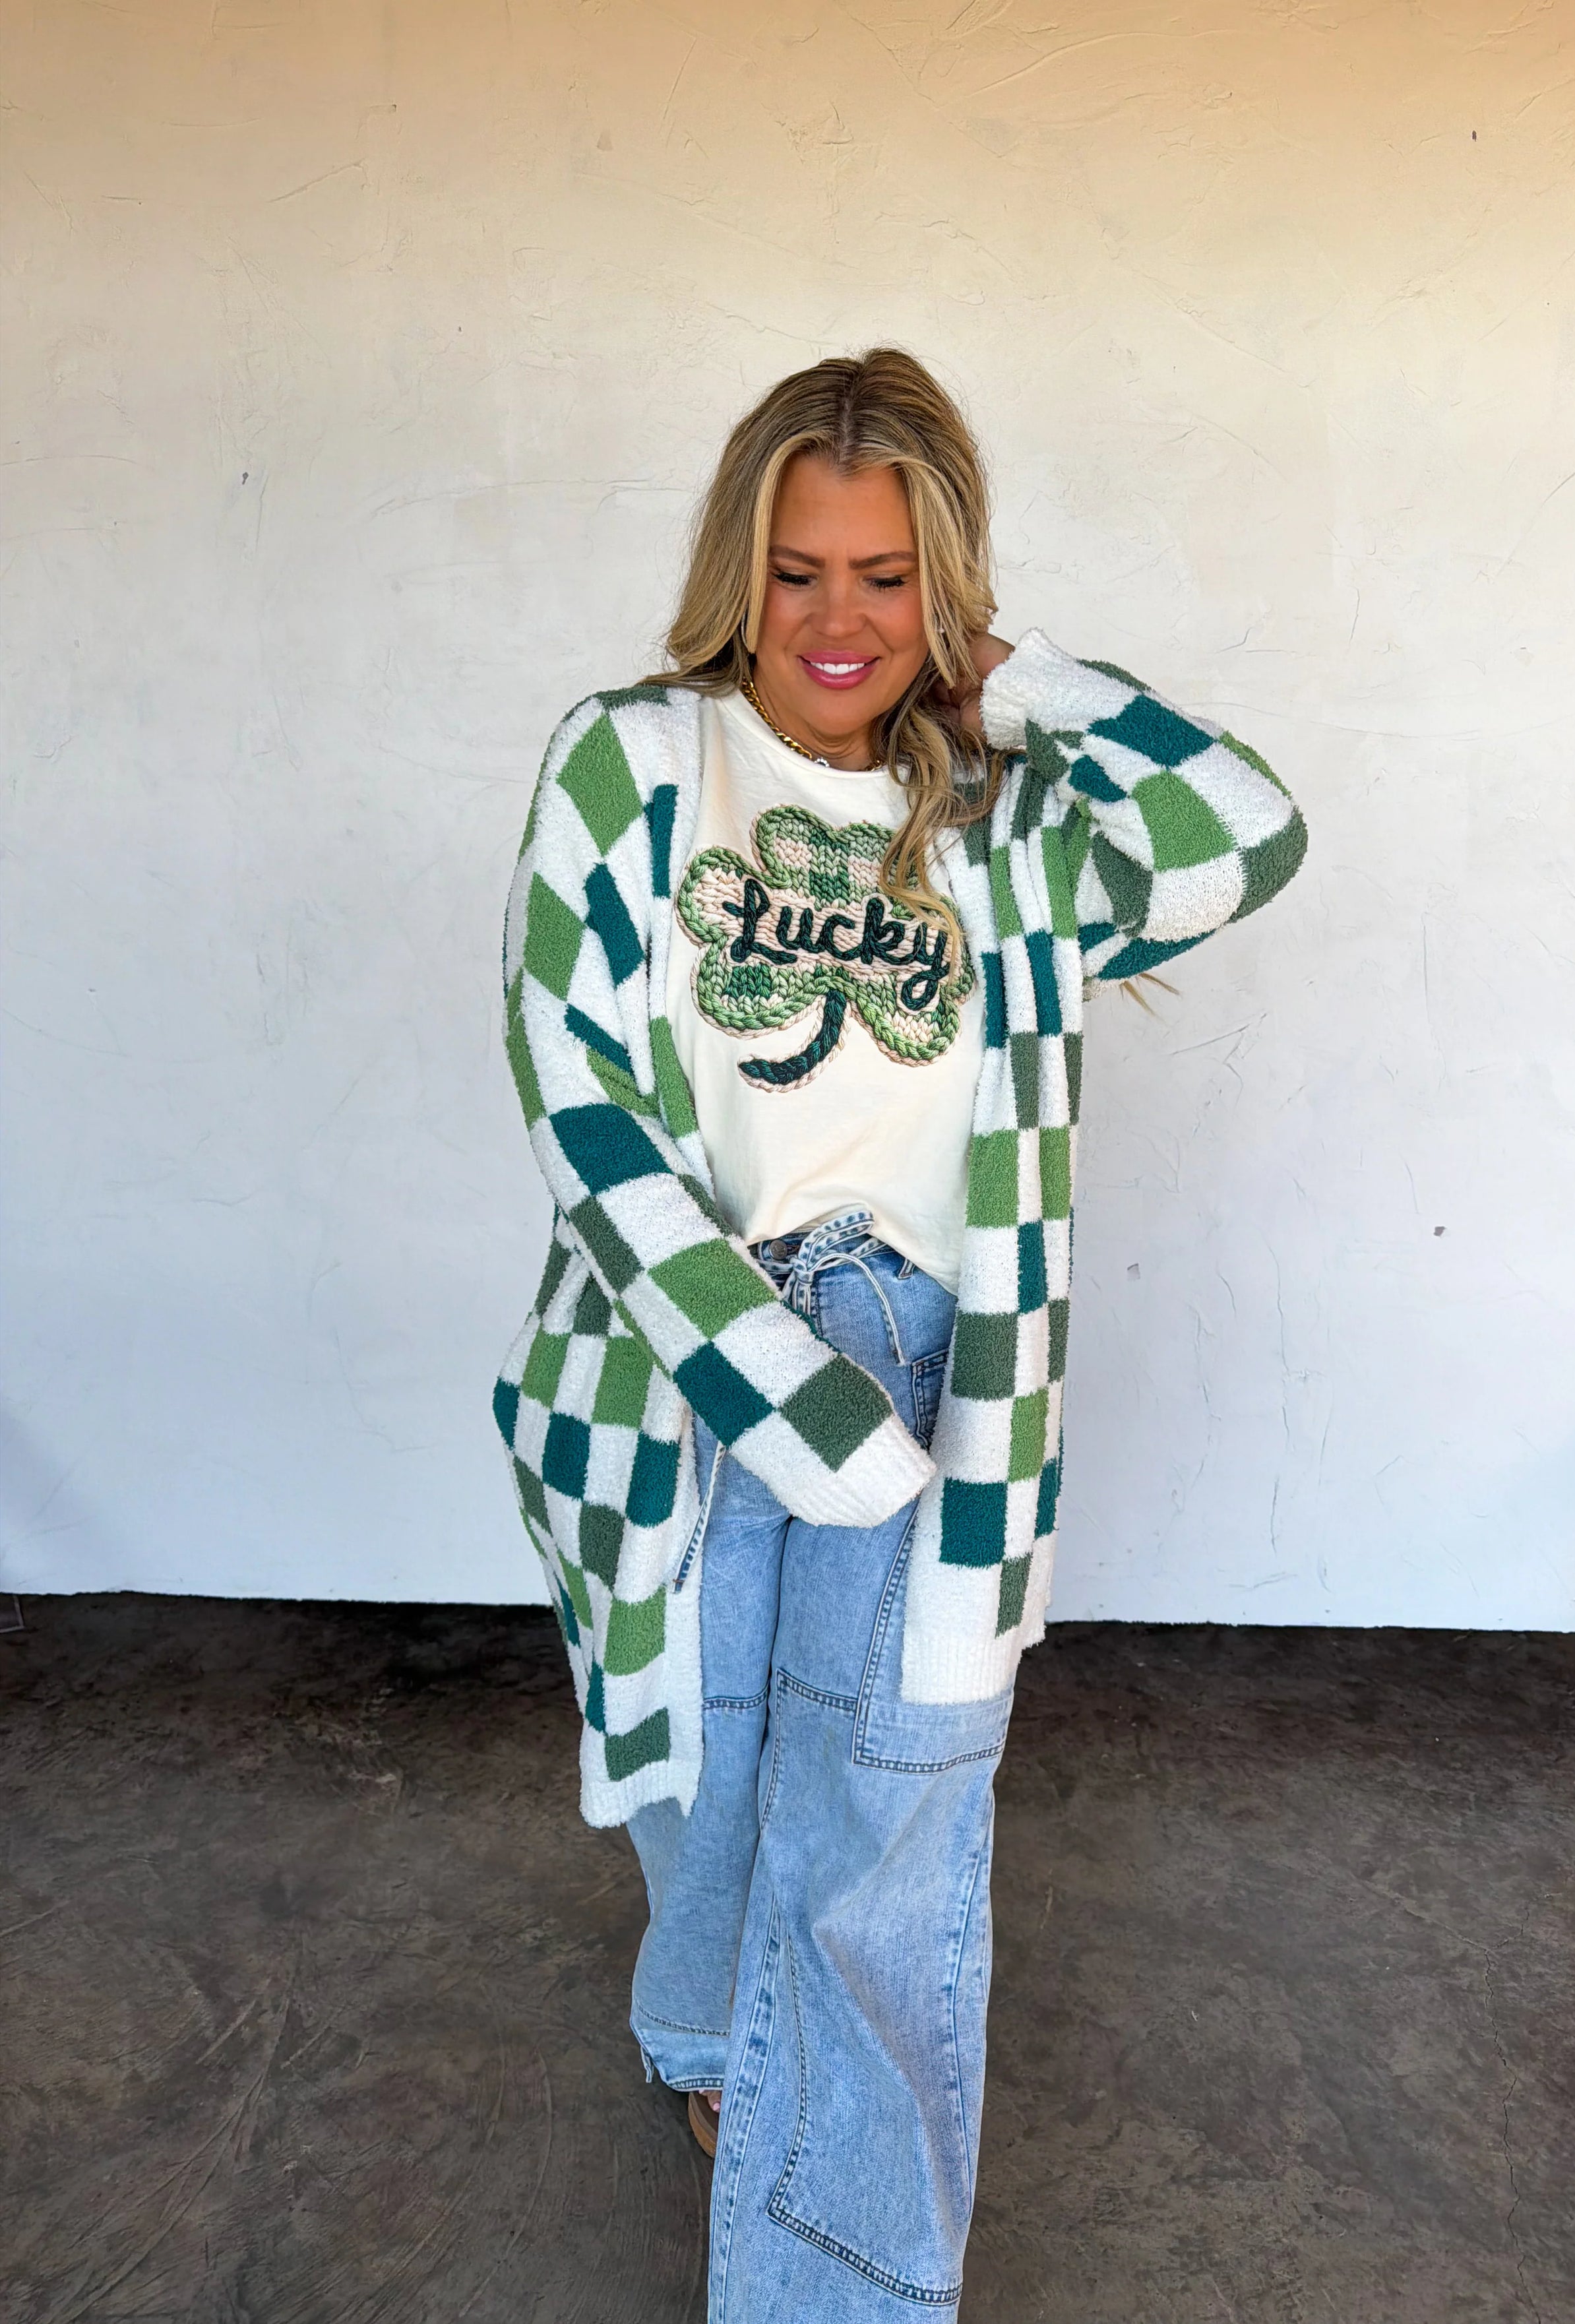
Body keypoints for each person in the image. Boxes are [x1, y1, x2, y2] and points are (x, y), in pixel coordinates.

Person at [493, 348, 1305, 2320]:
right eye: (797, 571)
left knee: (880, 1833)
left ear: (946, 585)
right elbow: (574, 1089)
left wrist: (1015, 679)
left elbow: (1248, 832)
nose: (837, 621)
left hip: (934, 1366)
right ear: (737, 570)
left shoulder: (1013, 824)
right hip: (674, 1360)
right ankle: (709, 2035)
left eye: (888, 575)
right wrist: (780, 1393)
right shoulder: (635, 763)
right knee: (701, 1769)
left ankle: (836, 2281)